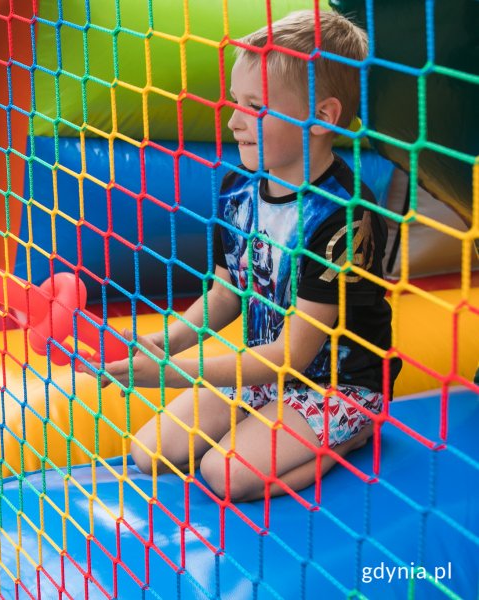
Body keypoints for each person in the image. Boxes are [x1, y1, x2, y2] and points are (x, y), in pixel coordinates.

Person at [81, 10, 401, 502]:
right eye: (236, 102)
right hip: (265, 376)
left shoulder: (343, 217)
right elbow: (227, 291)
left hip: (335, 387)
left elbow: (293, 355)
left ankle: (354, 433)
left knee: (226, 474)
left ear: (322, 116)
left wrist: (174, 375)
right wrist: (167, 342)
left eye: (255, 106)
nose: (233, 122)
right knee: (150, 453)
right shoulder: (239, 192)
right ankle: (270, 427)